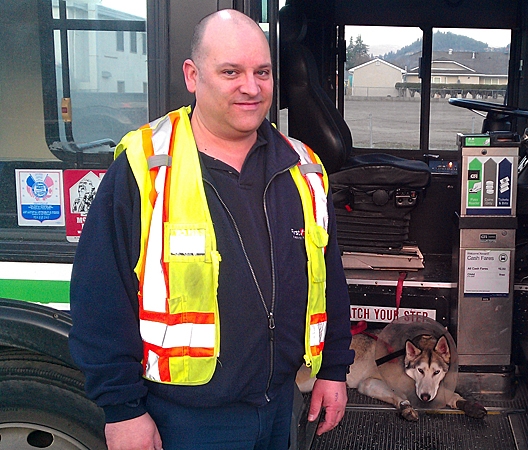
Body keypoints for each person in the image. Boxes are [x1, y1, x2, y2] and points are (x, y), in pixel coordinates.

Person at [68, 9, 354, 450]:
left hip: (281, 405)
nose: (251, 87)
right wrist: (122, 410)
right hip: (184, 421)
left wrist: (334, 368)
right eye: (230, 72)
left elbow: (328, 277)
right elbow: (100, 296)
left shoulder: (304, 167)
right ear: (192, 74)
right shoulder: (144, 167)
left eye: (262, 72)